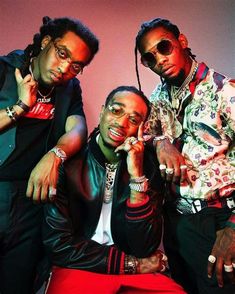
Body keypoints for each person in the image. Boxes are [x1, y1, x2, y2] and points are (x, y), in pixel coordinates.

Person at [42, 86, 186, 294]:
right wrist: (132, 264)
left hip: (136, 265)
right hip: (80, 264)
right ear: (102, 112)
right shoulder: (69, 164)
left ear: (142, 128)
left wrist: (137, 175)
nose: (121, 123)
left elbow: (143, 246)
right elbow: (58, 244)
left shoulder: (150, 167)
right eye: (116, 111)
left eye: (134, 119)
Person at [135, 18, 235, 294]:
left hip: (218, 220)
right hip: (176, 222)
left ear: (182, 42)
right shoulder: (157, 97)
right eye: (149, 57)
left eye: (164, 47)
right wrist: (160, 142)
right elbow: (143, 133)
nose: (160, 60)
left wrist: (233, 227)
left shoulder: (223, 90)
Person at [0, 16, 99, 294]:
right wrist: (20, 106)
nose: (65, 68)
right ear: (46, 42)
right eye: (62, 54)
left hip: (32, 199)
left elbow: (78, 129)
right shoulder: (6, 70)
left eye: (76, 65)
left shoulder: (69, 88)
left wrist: (55, 155)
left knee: (17, 283)